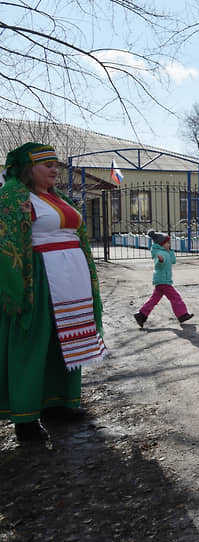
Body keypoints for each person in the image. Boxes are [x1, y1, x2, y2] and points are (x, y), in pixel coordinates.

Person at [0, 142, 108, 442]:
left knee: (65, 343)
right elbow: (6, 240)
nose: (53, 169)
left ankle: (60, 404)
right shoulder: (12, 196)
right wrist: (18, 287)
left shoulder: (56, 197)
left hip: (69, 279)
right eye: (46, 164)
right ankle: (25, 417)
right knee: (32, 343)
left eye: (55, 164)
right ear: (26, 168)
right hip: (38, 279)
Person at [134, 230, 194, 327]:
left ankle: (141, 315)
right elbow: (158, 264)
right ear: (161, 244)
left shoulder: (166, 252)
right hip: (163, 280)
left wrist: (170, 251)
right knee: (175, 297)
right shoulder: (159, 253)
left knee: (154, 299)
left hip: (162, 280)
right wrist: (161, 261)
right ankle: (182, 314)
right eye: (167, 243)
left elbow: (173, 261)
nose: (169, 245)